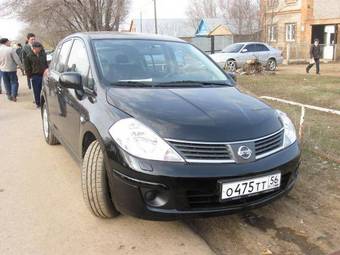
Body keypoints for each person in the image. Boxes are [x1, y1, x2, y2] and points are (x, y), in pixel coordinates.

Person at [24, 42, 48, 108]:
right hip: (35, 76)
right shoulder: (28, 56)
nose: (40, 49)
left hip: (43, 74)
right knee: (37, 90)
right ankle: (38, 103)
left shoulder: (43, 55)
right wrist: (30, 77)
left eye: (40, 48)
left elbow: (45, 63)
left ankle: (44, 102)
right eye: (38, 48)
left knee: (44, 89)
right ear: (34, 48)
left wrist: (46, 69)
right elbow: (27, 68)